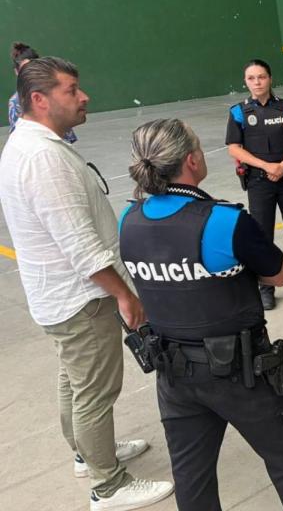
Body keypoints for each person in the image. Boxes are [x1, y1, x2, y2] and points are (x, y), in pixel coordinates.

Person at [120, 118, 283, 510]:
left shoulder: (128, 220)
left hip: (174, 375)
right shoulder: (222, 221)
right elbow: (280, 275)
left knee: (193, 479)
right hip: (242, 374)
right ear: (192, 160)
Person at [0, 57, 173, 510]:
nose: (84, 97)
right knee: (96, 390)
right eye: (72, 90)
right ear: (39, 99)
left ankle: (86, 454)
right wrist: (123, 295)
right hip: (81, 298)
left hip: (56, 296)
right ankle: (108, 485)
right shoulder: (42, 158)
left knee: (74, 380)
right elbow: (78, 243)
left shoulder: (31, 144)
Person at [226, 59, 283, 310]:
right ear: (246, 81)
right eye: (251, 78)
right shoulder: (238, 112)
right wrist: (266, 166)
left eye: (262, 77)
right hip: (259, 182)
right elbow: (234, 148)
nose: (257, 82)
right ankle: (266, 288)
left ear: (270, 79)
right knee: (263, 236)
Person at [8, 42, 77, 142]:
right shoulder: (15, 103)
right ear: (17, 72)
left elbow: (67, 138)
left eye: (32, 68)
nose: (29, 74)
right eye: (24, 70)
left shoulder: (54, 92)